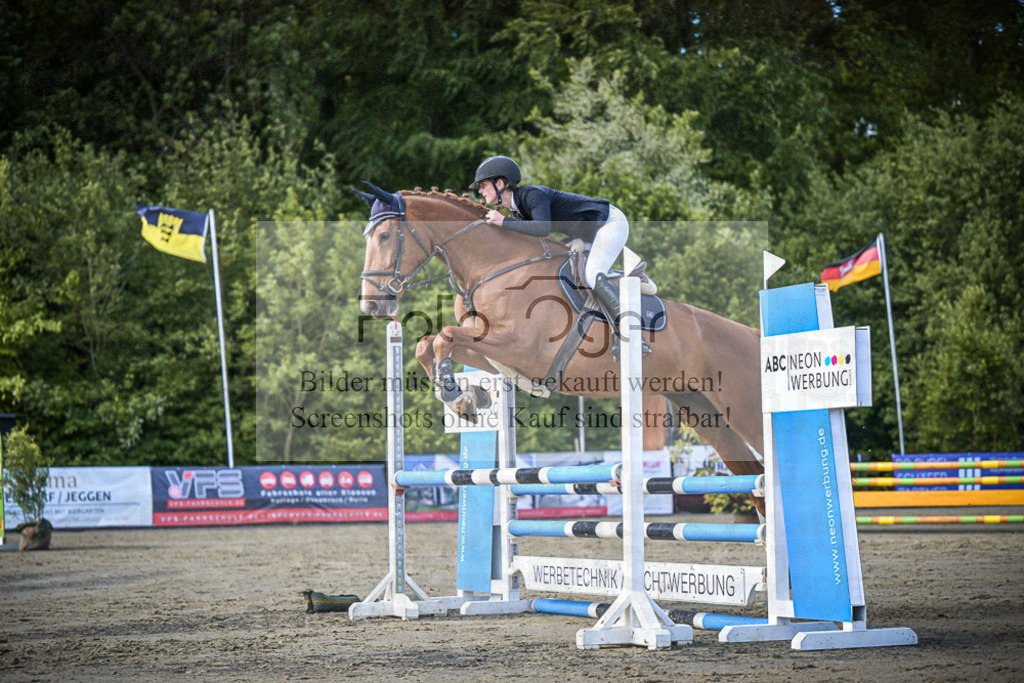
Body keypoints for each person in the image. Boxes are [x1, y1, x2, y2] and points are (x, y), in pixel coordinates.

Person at [470, 155, 650, 358]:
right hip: (587, 233)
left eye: (484, 185)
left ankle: (632, 334)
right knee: (572, 272)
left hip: (608, 223)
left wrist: (504, 222)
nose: (480, 191)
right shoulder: (519, 211)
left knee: (592, 275)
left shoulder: (532, 195)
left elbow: (542, 228)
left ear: (500, 183)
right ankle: (621, 283)